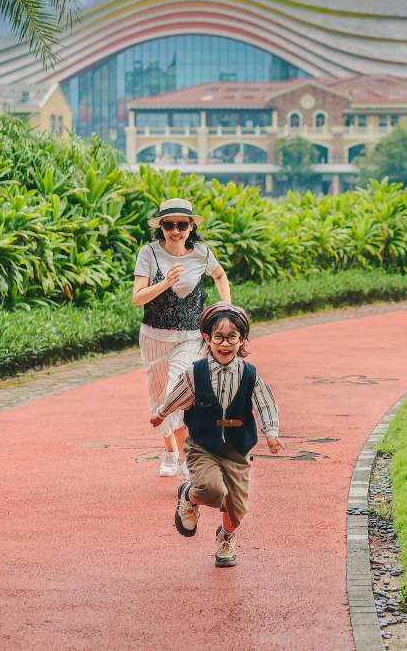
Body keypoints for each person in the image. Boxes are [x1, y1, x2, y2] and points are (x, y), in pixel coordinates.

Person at [150, 304, 283, 568]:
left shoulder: (249, 374)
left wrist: (271, 432)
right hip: (203, 446)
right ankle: (189, 495)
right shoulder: (195, 372)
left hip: (238, 450)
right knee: (211, 489)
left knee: (236, 507)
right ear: (207, 338)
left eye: (232, 337)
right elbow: (177, 395)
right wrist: (161, 413)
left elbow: (265, 403)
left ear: (242, 340)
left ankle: (226, 537)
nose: (225, 344)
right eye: (218, 337)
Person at [132, 198, 231, 479]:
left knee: (175, 391)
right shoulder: (148, 253)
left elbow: (220, 275)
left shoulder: (202, 252)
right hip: (154, 337)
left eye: (182, 225)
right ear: (160, 227)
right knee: (158, 399)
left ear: (191, 227)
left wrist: (227, 307)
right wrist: (164, 283)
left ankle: (187, 458)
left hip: (190, 337)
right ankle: (170, 450)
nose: (175, 231)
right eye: (169, 225)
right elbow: (137, 298)